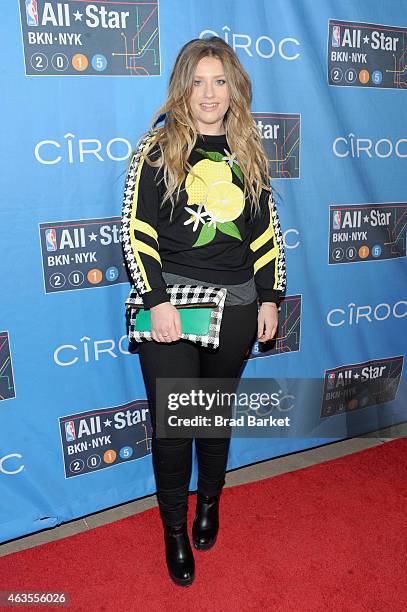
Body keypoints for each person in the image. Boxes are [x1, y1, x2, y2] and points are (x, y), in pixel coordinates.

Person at [121, 36, 286, 587]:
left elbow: (265, 234)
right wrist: (157, 301)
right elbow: (136, 232)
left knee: (212, 420)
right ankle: (173, 530)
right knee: (174, 430)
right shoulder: (157, 148)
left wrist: (271, 297)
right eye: (197, 81)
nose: (208, 93)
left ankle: (208, 503)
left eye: (219, 81)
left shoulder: (248, 152)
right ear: (182, 87)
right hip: (171, 311)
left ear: (233, 88)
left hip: (238, 304)